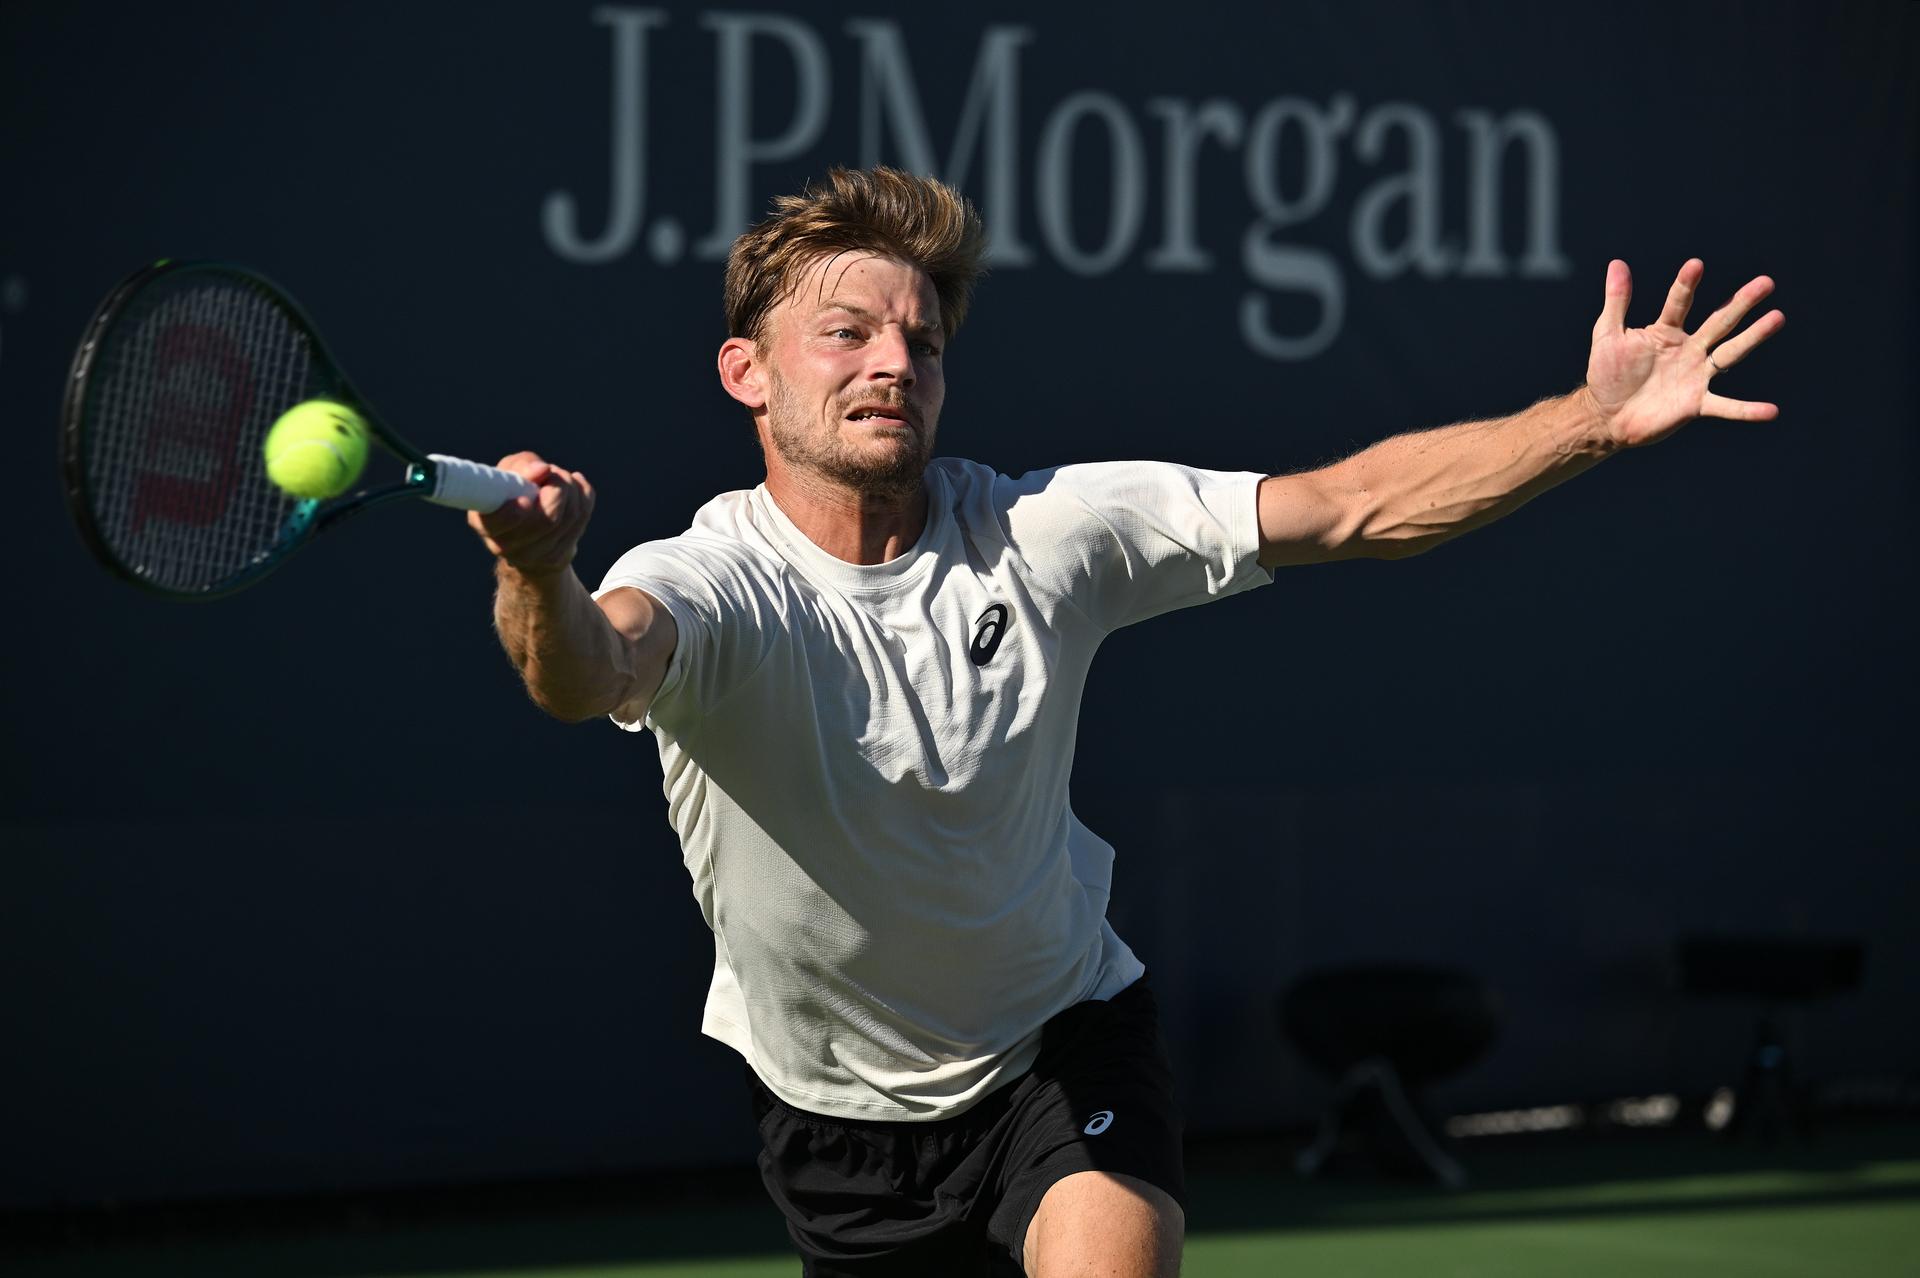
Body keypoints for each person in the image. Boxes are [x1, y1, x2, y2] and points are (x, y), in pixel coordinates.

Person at [468, 167, 1782, 1276]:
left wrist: (1589, 423)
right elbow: (584, 669)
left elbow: (1349, 505)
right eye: (847, 332)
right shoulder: (711, 578)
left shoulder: (1044, 532)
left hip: (1058, 1043)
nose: (893, 363)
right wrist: (538, 571)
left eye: (923, 341)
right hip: (834, 1120)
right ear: (745, 371)